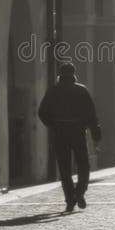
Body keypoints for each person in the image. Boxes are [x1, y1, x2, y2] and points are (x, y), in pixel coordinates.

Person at [38, 63, 102, 213]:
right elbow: (91, 114)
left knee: (64, 168)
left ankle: (69, 199)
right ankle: (79, 192)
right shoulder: (81, 90)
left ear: (60, 75)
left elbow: (42, 112)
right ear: (73, 74)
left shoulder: (53, 91)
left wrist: (53, 125)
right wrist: (95, 132)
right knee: (83, 165)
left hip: (60, 132)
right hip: (78, 131)